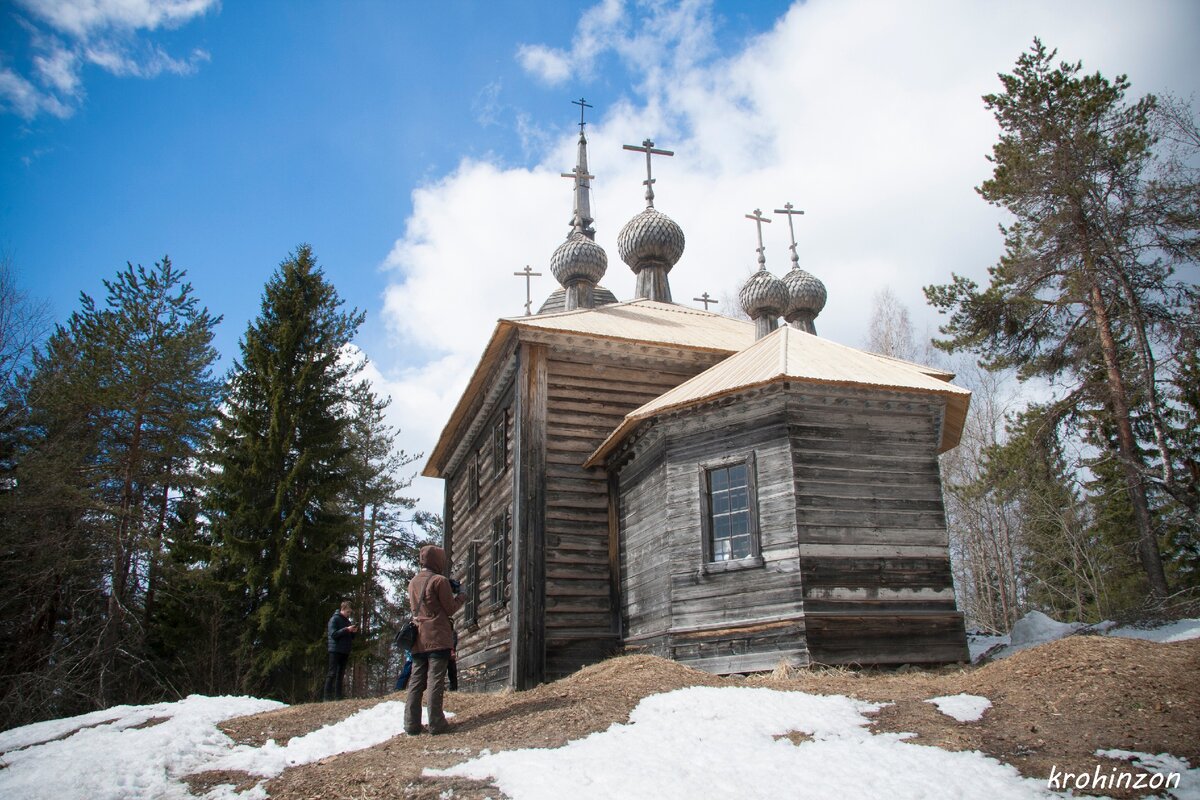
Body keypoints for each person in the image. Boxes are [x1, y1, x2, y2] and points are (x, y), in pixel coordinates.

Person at [404, 545, 466, 735]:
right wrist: (462, 594)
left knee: (416, 681)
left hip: (418, 638)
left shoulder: (413, 582)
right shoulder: (439, 580)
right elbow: (450, 608)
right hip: (437, 637)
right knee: (435, 680)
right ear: (437, 560)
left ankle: (411, 725)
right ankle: (436, 723)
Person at [323, 601, 358, 701]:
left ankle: (338, 696)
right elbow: (333, 634)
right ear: (342, 609)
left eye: (350, 612)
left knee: (341, 674)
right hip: (335, 650)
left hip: (344, 650)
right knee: (332, 673)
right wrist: (346, 629)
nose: (348, 614)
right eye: (347, 612)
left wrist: (353, 632)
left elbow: (350, 637)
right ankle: (327, 696)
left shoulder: (347, 621)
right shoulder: (334, 619)